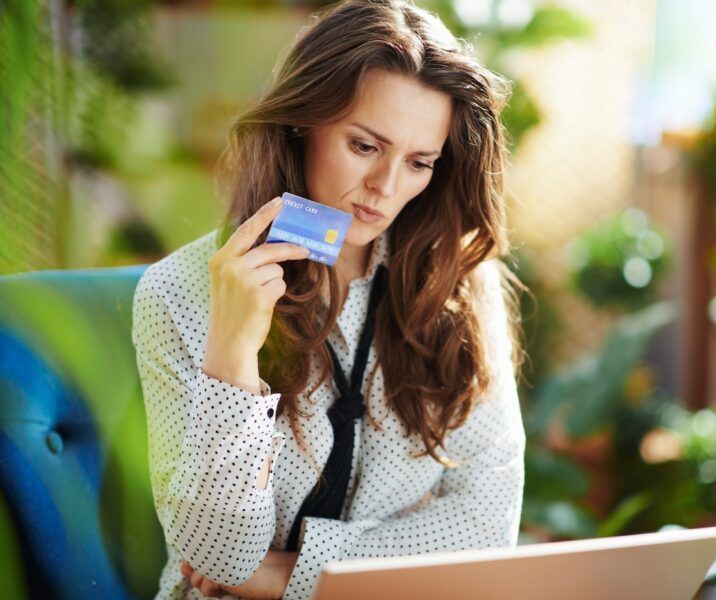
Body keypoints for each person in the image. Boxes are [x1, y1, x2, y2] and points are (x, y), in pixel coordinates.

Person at [131, 0, 526, 598]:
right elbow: (217, 556)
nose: (386, 189)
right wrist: (234, 356)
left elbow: (487, 525)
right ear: (301, 122)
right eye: (365, 146)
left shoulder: (461, 282)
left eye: (419, 162)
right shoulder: (177, 293)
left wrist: (283, 575)